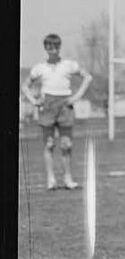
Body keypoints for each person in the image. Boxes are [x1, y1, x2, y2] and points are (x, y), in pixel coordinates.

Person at [21, 33, 93, 190]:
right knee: (49, 144)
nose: (53, 49)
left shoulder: (68, 65)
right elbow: (25, 85)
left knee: (66, 144)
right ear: (45, 48)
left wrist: (77, 96)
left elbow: (87, 77)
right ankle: (51, 179)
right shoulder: (39, 68)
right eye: (49, 47)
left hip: (65, 105)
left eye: (56, 46)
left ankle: (68, 178)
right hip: (47, 105)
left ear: (59, 47)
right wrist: (34, 101)